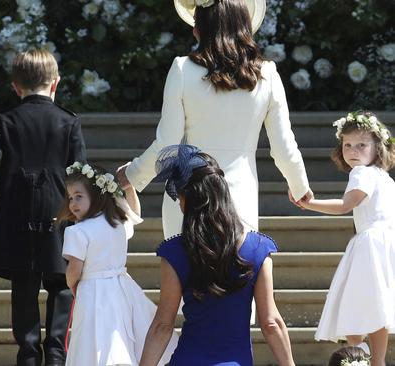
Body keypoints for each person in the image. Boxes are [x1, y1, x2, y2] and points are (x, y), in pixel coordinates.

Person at [116, 0, 311, 239]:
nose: (193, 28)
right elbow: (283, 146)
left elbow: (167, 142)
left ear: (203, 27)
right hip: (240, 197)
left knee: (183, 274)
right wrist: (299, 186)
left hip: (187, 198)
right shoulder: (267, 74)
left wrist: (133, 174)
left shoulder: (181, 69)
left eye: (197, 21)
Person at [0, 49, 86, 366]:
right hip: (60, 217)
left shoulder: (7, 120)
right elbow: (81, 172)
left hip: (18, 217)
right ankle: (56, 354)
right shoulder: (69, 122)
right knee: (61, 286)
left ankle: (27, 355)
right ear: (56, 84)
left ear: (15, 86)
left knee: (24, 289)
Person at [140, 144, 295, 366]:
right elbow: (271, 323)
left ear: (187, 200)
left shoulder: (174, 252)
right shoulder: (259, 249)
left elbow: (163, 326)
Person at [297, 111, 395, 366]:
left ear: (377, 148)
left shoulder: (361, 173)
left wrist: (309, 204)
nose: (353, 151)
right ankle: (378, 361)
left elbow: (344, 205)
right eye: (347, 145)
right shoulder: (385, 178)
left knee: (354, 301)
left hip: (370, 246)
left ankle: (357, 355)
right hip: (386, 246)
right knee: (377, 306)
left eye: (361, 145)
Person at [59, 162, 178, 366]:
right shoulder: (116, 224)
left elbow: (74, 269)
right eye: (70, 198)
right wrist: (129, 187)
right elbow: (135, 213)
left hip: (92, 290)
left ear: (96, 196)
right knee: (118, 334)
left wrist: (72, 284)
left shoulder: (77, 231)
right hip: (121, 288)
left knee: (94, 337)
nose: (72, 203)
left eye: (79, 196)